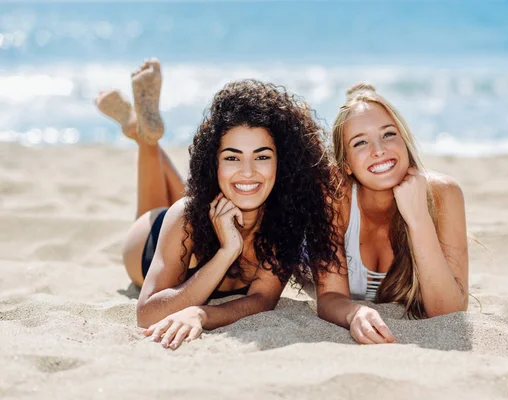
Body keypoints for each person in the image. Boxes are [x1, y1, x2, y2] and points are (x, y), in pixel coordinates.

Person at [95, 59, 339, 350]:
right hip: (149, 242)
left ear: (282, 163)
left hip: (209, 211)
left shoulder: (284, 221)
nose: (248, 170)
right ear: (214, 163)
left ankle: (141, 132)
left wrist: (203, 313)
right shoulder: (184, 215)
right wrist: (227, 253)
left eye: (261, 156)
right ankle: (146, 139)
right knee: (173, 207)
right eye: (232, 157)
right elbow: (147, 314)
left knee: (219, 193)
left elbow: (262, 299)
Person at [316, 83, 469, 345]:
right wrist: (356, 312)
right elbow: (328, 296)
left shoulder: (445, 193)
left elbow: (448, 312)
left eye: (388, 134)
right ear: (347, 166)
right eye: (360, 142)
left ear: (405, 141)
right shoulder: (334, 193)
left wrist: (419, 218)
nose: (379, 150)